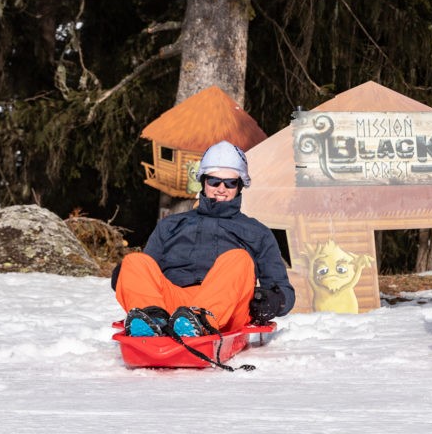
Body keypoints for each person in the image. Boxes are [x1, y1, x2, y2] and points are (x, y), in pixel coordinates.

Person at [112, 140, 295, 337]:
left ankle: (199, 322)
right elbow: (146, 273)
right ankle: (152, 321)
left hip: (228, 308)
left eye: (230, 183)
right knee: (134, 261)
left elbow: (284, 290)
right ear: (203, 182)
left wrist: (274, 300)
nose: (221, 189)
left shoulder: (258, 232)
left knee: (239, 258)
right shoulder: (170, 225)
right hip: (174, 304)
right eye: (214, 181)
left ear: (240, 186)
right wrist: (124, 275)